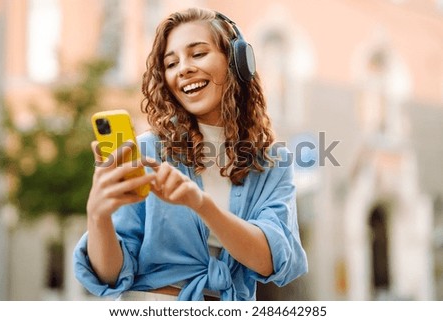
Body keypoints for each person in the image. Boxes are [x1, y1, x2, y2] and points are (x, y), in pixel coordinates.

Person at [73, 7, 307, 301]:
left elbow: (271, 259)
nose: (183, 68)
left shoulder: (273, 163)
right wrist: (98, 217)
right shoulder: (146, 152)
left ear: (237, 61)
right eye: (171, 63)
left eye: (197, 54)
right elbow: (110, 275)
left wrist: (200, 204)